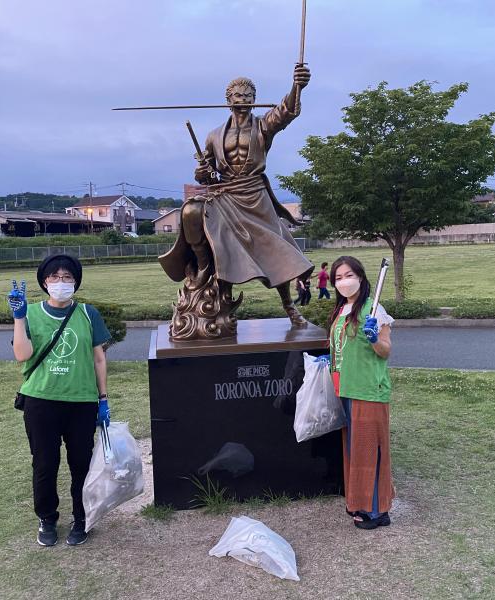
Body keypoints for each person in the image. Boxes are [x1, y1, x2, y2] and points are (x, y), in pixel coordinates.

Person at [159, 64, 314, 327]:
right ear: (228, 100)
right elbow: (205, 176)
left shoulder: (263, 126)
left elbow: (286, 111)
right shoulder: (214, 136)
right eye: (238, 96)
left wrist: (297, 85)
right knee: (192, 212)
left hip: (254, 195)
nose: (243, 100)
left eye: (248, 96)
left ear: (255, 100)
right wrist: (202, 172)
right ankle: (204, 266)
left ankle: (289, 305)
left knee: (276, 252)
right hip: (225, 194)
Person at [8, 254, 112, 547]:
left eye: (67, 277)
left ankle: (82, 518)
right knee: (44, 463)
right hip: (41, 401)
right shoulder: (30, 312)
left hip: (81, 401)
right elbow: (22, 355)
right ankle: (47, 518)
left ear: (76, 282)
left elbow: (99, 359)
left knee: (81, 464)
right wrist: (18, 319)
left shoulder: (88, 314)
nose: (61, 282)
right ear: (45, 282)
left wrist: (103, 399)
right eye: (54, 277)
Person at [328, 255, 395, 530]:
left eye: (349, 275)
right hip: (345, 388)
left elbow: (385, 351)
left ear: (361, 278)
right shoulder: (341, 309)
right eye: (338, 278)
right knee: (355, 451)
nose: (344, 282)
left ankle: (377, 511)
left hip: (368, 390)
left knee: (370, 451)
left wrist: (374, 338)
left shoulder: (374, 309)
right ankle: (358, 502)